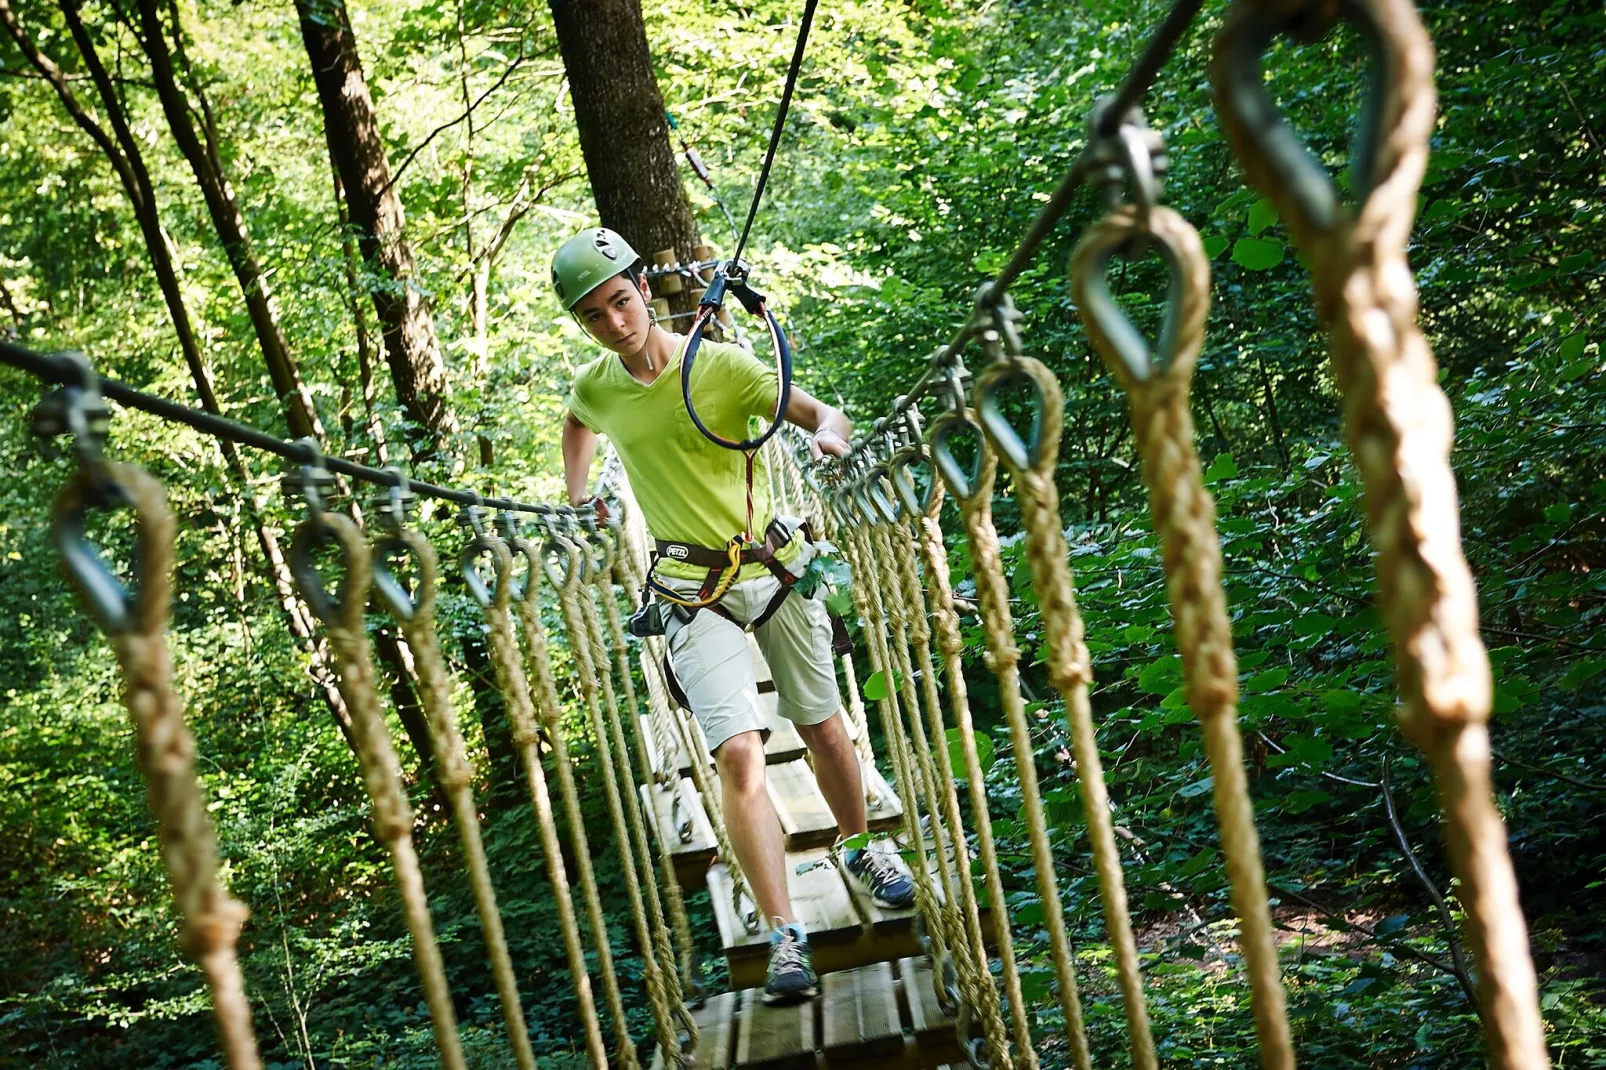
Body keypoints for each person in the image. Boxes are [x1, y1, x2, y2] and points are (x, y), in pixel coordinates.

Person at [554, 227, 914, 1006]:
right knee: (739, 753)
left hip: (772, 568)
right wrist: (577, 499)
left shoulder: (721, 367)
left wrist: (826, 437)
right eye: (595, 316)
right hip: (689, 589)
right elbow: (579, 420)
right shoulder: (599, 385)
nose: (615, 325)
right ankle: (785, 933)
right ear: (584, 325)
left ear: (643, 291)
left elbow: (826, 412)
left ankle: (860, 845)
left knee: (822, 725)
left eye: (621, 302)